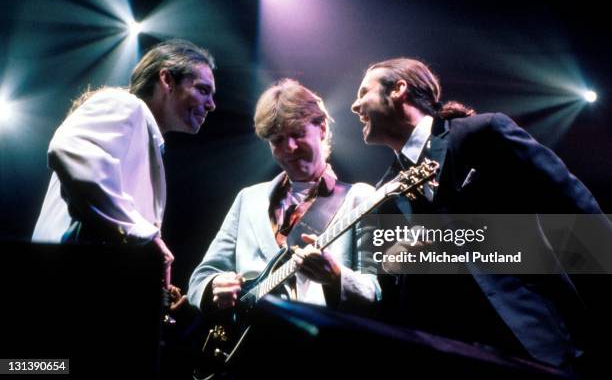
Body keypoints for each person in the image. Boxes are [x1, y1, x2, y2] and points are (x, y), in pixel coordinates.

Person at [350, 57, 608, 370]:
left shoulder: (483, 133)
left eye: (364, 92)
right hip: (462, 353)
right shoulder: (385, 193)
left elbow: (573, 206)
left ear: (399, 90)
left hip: (542, 336)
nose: (355, 105)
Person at [32, 39, 216, 288]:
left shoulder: (146, 138)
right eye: (203, 90)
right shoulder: (125, 105)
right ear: (167, 80)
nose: (211, 105)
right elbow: (66, 148)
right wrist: (143, 236)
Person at [188, 79, 380, 314]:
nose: (289, 148)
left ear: (322, 128)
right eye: (277, 140)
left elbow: (375, 292)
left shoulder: (361, 197)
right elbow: (201, 277)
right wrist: (215, 286)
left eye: (297, 134)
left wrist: (337, 277)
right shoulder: (249, 199)